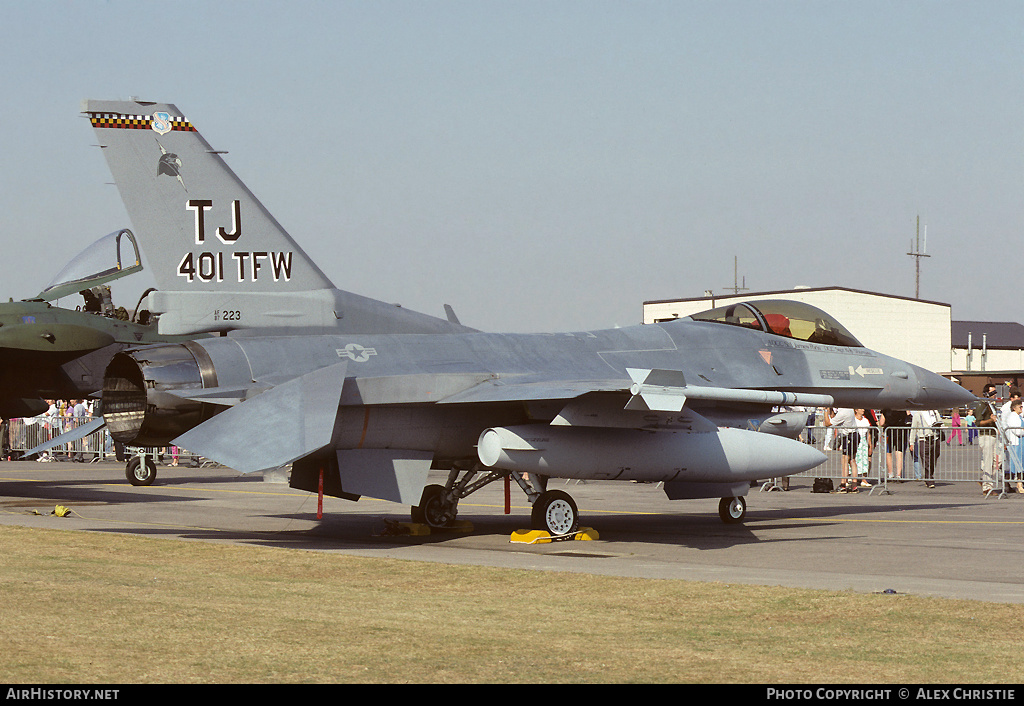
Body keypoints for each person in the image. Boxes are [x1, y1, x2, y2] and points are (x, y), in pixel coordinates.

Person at [974, 384, 1000, 495]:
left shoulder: (991, 405)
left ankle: (985, 478)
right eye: (991, 393)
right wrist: (990, 421)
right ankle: (987, 487)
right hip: (986, 436)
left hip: (994, 435)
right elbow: (978, 423)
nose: (994, 395)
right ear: (986, 394)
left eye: (995, 393)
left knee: (997, 462)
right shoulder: (981, 405)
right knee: (988, 462)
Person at [825, 407, 858, 492]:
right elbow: (834, 418)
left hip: (848, 436)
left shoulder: (842, 413)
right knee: (852, 460)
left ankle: (843, 484)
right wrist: (831, 410)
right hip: (854, 434)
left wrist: (825, 411)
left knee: (844, 460)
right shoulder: (847, 409)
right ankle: (854, 486)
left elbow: (827, 423)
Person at [910, 409, 941, 488]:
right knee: (926, 459)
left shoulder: (934, 412)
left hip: (935, 438)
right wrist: (911, 442)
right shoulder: (918, 414)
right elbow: (913, 429)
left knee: (934, 457)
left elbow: (940, 422)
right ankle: (929, 479)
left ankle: (929, 475)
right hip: (923, 439)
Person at [1003, 399, 1024, 493]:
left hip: (1021, 442)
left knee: (1020, 465)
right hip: (1016, 443)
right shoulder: (1012, 417)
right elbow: (1017, 430)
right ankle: (1009, 483)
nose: (1021, 408)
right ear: (1014, 408)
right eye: (1020, 406)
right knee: (1015, 465)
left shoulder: (1020, 417)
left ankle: (1019, 484)